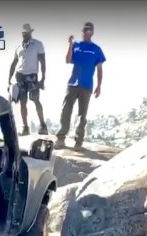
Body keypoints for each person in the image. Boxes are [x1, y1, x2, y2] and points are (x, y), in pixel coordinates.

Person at [56, 21, 106, 149]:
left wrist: (99, 86)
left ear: (92, 32)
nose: (86, 32)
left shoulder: (96, 49)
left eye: (88, 30)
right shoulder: (76, 45)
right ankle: (61, 138)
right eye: (84, 30)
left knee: (82, 114)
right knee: (66, 109)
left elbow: (100, 69)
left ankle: (78, 141)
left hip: (87, 85)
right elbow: (67, 60)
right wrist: (70, 45)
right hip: (72, 83)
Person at [8, 23, 47, 136]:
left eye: (27, 32)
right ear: (22, 34)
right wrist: (9, 78)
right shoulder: (19, 47)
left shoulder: (37, 44)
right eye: (24, 33)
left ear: (30, 33)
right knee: (22, 102)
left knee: (35, 99)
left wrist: (43, 78)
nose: (25, 34)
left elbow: (42, 61)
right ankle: (25, 127)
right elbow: (14, 62)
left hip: (32, 76)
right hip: (20, 76)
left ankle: (43, 125)